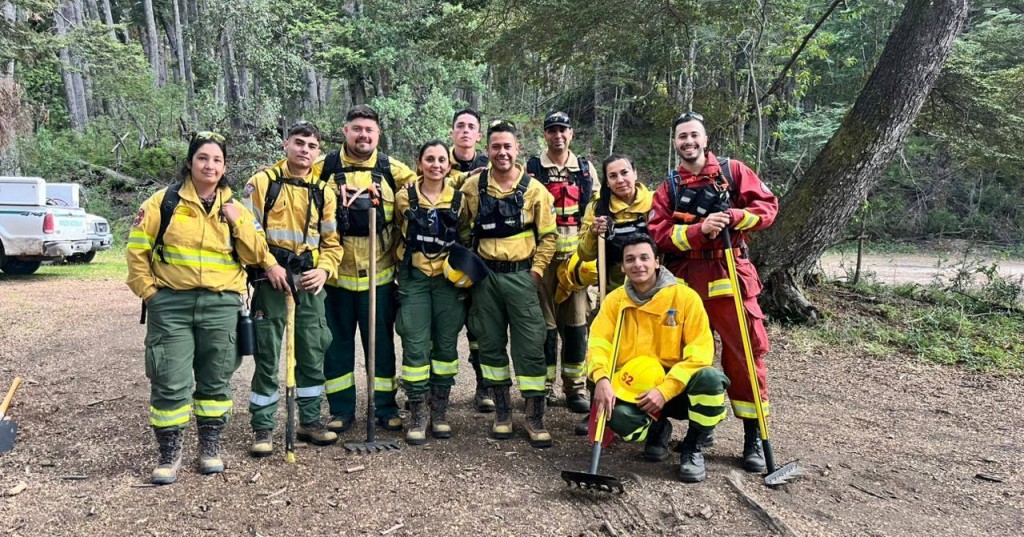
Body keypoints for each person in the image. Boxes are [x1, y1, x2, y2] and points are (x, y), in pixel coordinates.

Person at [127, 131, 268, 484]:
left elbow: (257, 256)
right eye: (203, 158)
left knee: (216, 380)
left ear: (225, 167)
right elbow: (136, 253)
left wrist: (236, 219)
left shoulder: (237, 207)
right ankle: (169, 453)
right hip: (170, 304)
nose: (210, 165)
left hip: (222, 306)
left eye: (217, 160)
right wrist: (151, 296)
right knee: (169, 381)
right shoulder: (163, 203)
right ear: (190, 162)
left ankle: (210, 447)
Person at [647, 111, 779, 473]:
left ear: (705, 140)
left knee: (744, 359)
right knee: (683, 358)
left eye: (694, 136)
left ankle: (754, 436)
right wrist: (697, 231)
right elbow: (658, 233)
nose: (688, 142)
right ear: (675, 143)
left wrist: (736, 217)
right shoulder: (669, 187)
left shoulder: (733, 172)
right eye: (681, 137)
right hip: (687, 280)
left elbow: (768, 208)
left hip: (730, 273)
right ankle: (695, 431)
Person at [587, 233, 730, 482]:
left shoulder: (685, 298)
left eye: (644, 257)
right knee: (617, 417)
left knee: (710, 379)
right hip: (638, 389)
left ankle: (693, 447)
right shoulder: (615, 301)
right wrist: (601, 378)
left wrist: (665, 390)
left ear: (657, 262)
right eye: (630, 259)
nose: (637, 264)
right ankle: (657, 429)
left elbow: (701, 352)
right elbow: (599, 344)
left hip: (678, 389)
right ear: (622, 266)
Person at [242, 121, 344, 456]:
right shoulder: (261, 183)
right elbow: (246, 231)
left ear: (318, 152)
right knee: (269, 353)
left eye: (312, 146)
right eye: (299, 143)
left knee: (312, 350)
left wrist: (325, 270)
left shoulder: (324, 191)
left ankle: (310, 422)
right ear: (286, 144)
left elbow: (332, 242)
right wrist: (268, 264)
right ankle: (263, 428)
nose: (305, 150)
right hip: (271, 280)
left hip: (309, 281)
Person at [318, 105, 417, 434]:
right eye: (357, 128)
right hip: (335, 277)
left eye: (369, 130)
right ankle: (341, 410)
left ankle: (385, 407)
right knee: (337, 346)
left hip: (381, 276)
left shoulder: (395, 171)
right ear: (345, 130)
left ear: (378, 135)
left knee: (382, 347)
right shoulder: (324, 169)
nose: (363, 135)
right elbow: (289, 176)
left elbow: (431, 187)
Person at [460, 119, 558, 448]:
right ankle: (502, 413)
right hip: (485, 278)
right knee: (489, 344)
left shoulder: (535, 191)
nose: (502, 152)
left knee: (531, 345)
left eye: (507, 146)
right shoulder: (472, 188)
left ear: (517, 150)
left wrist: (536, 272)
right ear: (486, 151)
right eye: (496, 147)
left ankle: (534, 416)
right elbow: (462, 231)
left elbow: (548, 238)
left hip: (522, 276)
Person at [394, 140, 473, 444]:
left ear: (449, 165)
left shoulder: (460, 199)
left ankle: (439, 411)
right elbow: (393, 237)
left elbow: (466, 237)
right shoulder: (404, 198)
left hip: (447, 282)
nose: (436, 165)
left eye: (442, 159)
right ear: (420, 162)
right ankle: (417, 412)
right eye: (430, 159)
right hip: (414, 279)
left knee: (445, 346)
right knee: (414, 343)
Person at [526, 111, 594, 414]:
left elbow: (595, 209)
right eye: (552, 130)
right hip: (543, 259)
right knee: (545, 327)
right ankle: (544, 387)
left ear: (571, 133)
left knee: (576, 326)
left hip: (576, 262)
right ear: (545, 135)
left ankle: (575, 388)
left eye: (563, 130)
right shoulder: (531, 169)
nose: (558, 135)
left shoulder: (585, 170)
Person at [447, 108, 493, 412]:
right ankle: (438, 392)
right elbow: (428, 187)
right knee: (445, 326)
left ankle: (484, 387)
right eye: (460, 126)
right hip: (446, 256)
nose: (465, 131)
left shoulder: (492, 165)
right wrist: (466, 179)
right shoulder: (437, 159)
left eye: (471, 127)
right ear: (452, 133)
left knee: (481, 327)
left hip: (479, 257)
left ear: (479, 135)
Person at [578, 154, 654, 290]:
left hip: (653, 287)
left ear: (635, 173)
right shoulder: (597, 208)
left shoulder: (655, 201)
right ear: (607, 182)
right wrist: (592, 233)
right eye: (613, 176)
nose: (620, 180)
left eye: (624, 173)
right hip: (614, 290)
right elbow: (585, 255)